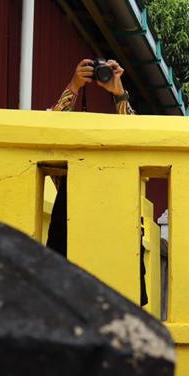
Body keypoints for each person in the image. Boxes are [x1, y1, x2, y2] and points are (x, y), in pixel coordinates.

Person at [45, 59, 147, 305]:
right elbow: (51, 129)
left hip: (117, 225)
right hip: (69, 224)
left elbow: (135, 136)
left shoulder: (124, 155)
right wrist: (74, 85)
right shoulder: (67, 156)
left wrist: (119, 93)